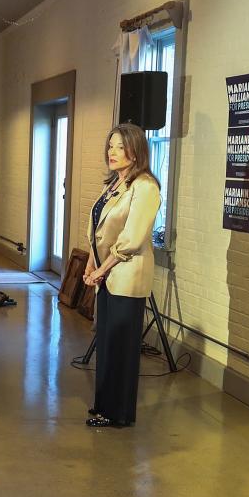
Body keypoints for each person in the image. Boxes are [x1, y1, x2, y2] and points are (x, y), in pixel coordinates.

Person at [83, 123, 162, 428]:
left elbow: (132, 238)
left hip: (126, 276)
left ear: (136, 150)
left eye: (119, 147)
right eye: (110, 146)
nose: (112, 152)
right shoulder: (115, 184)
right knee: (106, 341)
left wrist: (101, 270)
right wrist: (91, 264)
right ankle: (104, 403)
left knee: (121, 346)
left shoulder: (146, 186)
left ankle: (118, 413)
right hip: (107, 274)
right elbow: (99, 230)